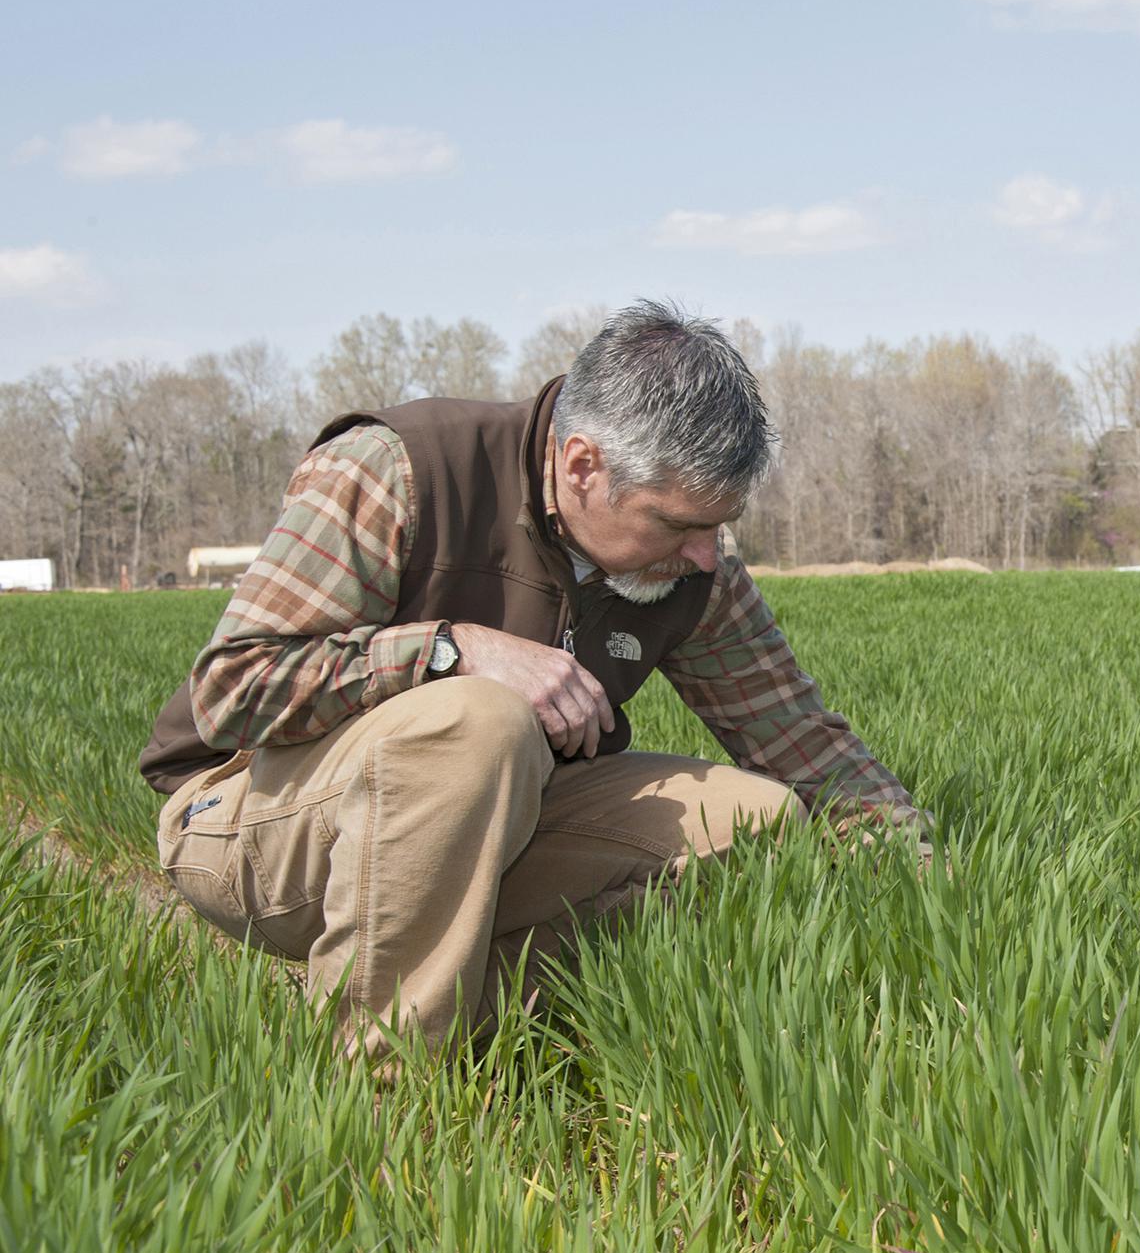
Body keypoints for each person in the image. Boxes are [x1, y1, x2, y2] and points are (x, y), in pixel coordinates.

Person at [139, 300, 925, 1058]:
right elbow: (235, 687)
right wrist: (453, 650)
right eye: (679, 524)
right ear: (583, 464)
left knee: (760, 823)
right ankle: (376, 1089)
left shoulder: (693, 571)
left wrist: (930, 876)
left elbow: (796, 738)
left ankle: (473, 1022)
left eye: (719, 526)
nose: (706, 555)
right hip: (254, 819)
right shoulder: (397, 469)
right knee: (478, 720)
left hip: (495, 825)